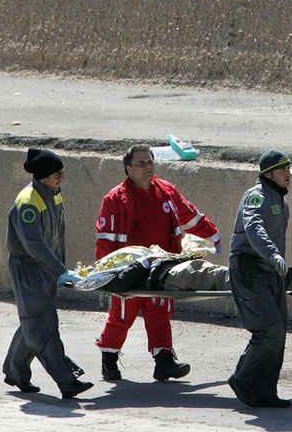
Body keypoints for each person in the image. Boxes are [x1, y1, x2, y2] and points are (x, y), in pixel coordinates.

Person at [94, 144, 221, 382]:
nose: (147, 167)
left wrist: (212, 234)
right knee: (122, 315)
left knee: (159, 311)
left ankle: (164, 361)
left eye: (150, 162)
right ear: (128, 168)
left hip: (161, 266)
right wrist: (105, 273)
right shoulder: (114, 199)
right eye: (141, 163)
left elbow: (189, 215)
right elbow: (105, 240)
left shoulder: (166, 191)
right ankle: (109, 361)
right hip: (129, 270)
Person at [2, 148, 94, 400]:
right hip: (28, 269)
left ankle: (15, 368)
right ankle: (67, 381)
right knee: (43, 325)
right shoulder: (28, 201)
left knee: (34, 320)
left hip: (48, 268)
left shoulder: (54, 195)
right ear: (42, 176)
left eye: (62, 172)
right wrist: (59, 270)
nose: (61, 177)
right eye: (57, 173)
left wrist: (62, 271)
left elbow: (57, 238)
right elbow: (33, 244)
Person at [227, 150, 292, 408]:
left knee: (279, 332)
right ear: (268, 174)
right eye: (282, 169)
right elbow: (254, 227)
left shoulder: (280, 198)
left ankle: (266, 390)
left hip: (269, 272)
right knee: (269, 330)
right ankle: (242, 378)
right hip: (249, 268)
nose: (288, 174)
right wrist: (272, 254)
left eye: (288, 168)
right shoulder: (256, 196)